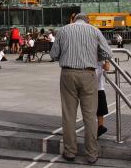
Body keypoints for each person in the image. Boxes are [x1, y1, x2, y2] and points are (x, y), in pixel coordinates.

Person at [50, 13, 113, 164]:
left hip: (68, 73)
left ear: (73, 19)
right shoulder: (95, 30)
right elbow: (108, 53)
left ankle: (70, 152)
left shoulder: (63, 30)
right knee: (90, 116)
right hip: (88, 74)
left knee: (69, 115)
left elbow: (54, 54)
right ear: (88, 20)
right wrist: (94, 55)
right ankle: (91, 154)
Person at [96, 61, 109, 137]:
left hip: (99, 87)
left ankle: (100, 126)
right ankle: (94, 128)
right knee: (91, 109)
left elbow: (106, 68)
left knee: (101, 107)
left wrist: (107, 63)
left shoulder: (101, 59)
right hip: (89, 86)